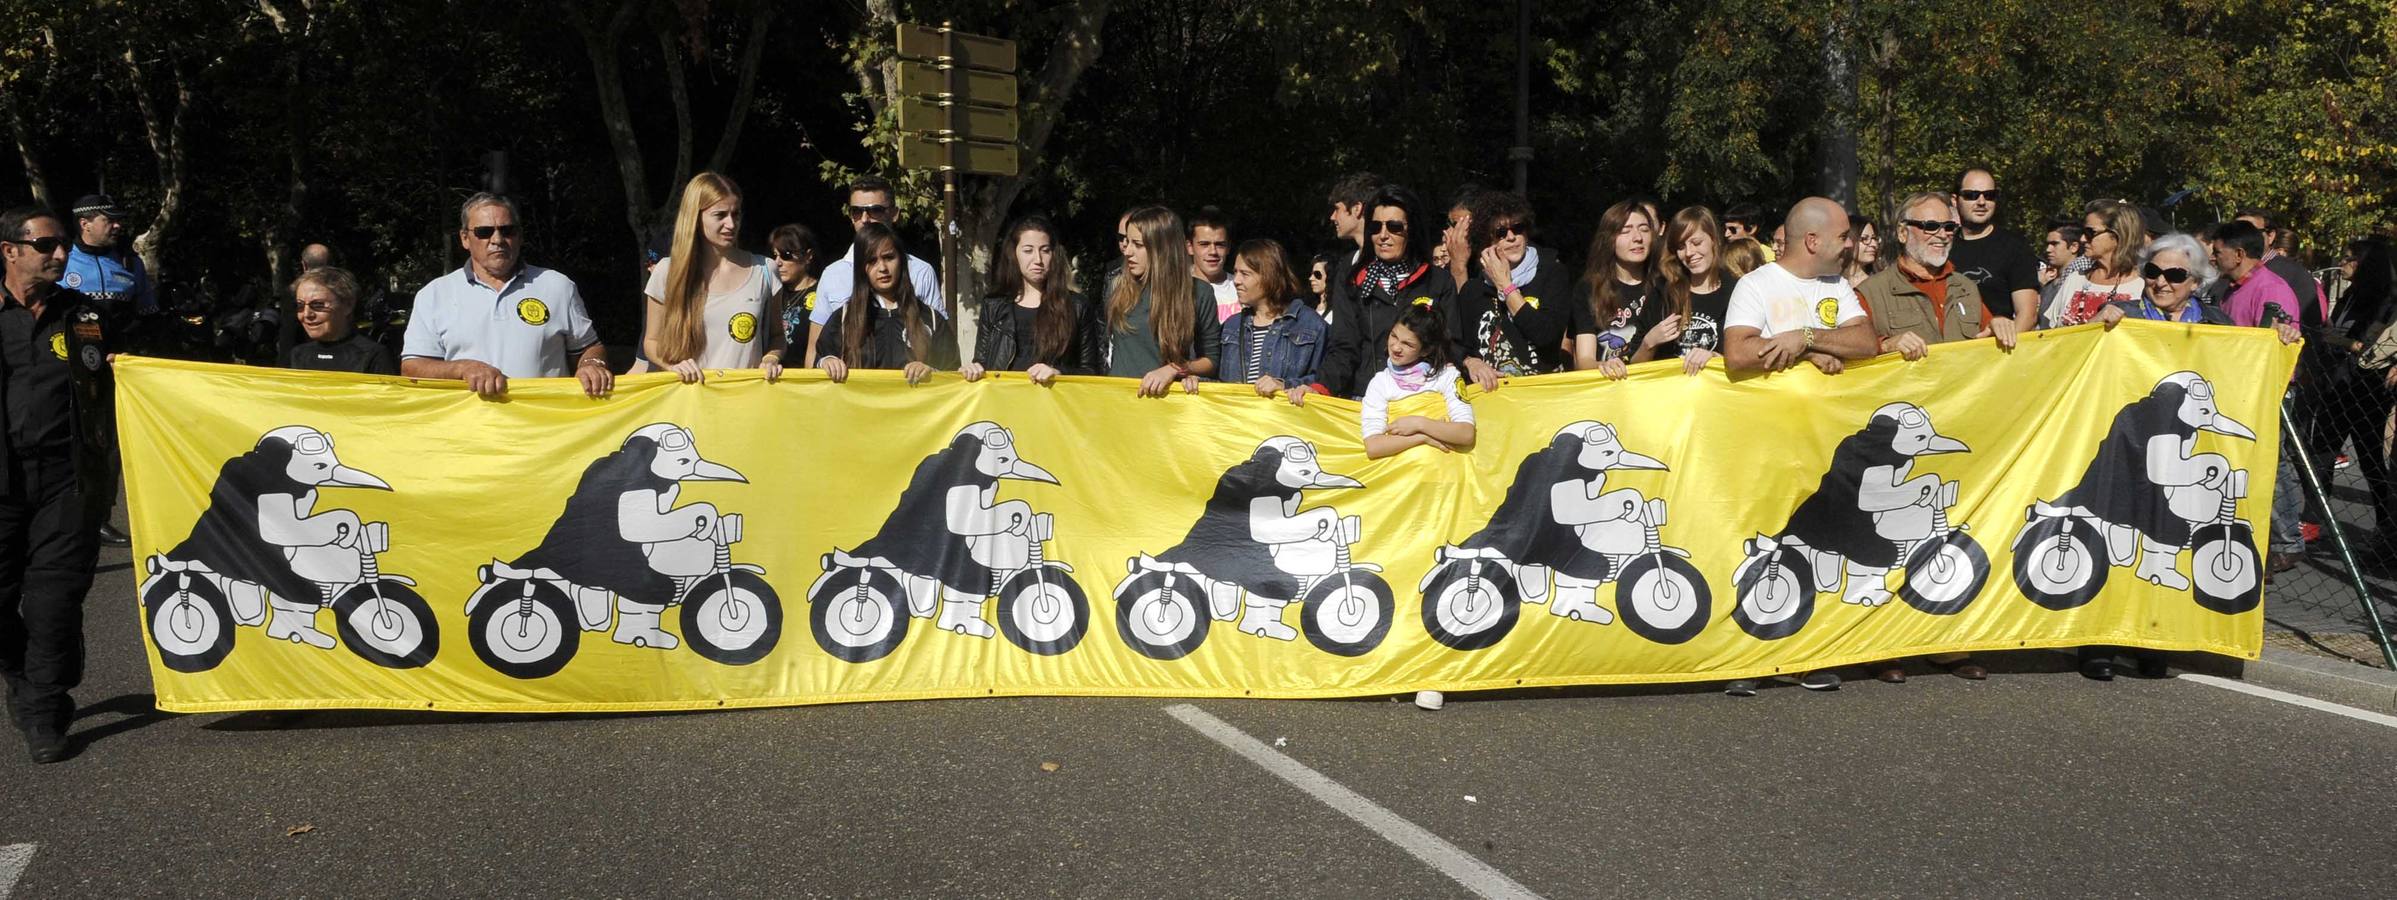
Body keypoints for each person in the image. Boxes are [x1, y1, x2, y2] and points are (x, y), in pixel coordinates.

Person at [0, 206, 115, 763]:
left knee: (52, 601)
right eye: (46, 245)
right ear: (11, 250)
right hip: (3, 482)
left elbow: (147, 366)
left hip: (69, 480)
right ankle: (22, 679)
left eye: (63, 244)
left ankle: (45, 706)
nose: (59, 254)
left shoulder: (86, 314)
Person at [401, 193, 613, 399]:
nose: (497, 239)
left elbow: (589, 347)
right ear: (465, 239)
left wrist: (592, 365)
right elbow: (412, 368)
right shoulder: (434, 294)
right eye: (484, 232)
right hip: (468, 429)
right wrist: (463, 368)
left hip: (544, 427)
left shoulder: (557, 286)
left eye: (507, 230)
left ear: (520, 236)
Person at [2212, 219, 2311, 575]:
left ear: (2238, 254)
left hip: (2268, 392)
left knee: (2272, 464)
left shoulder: (2271, 289)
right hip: (2237, 390)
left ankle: (2286, 541)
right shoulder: (2228, 288)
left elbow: (2281, 345)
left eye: (2218, 251)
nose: (2213, 256)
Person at [642, 173, 785, 384]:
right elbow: (651, 341)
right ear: (695, 217)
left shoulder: (765, 269)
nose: (731, 224)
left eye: (735, 214)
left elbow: (777, 336)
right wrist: (673, 366)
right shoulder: (667, 271)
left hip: (746, 403)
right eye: (720, 215)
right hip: (689, 405)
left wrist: (771, 358)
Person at [1323, 185, 1457, 398]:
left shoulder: (1438, 281)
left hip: (1422, 399)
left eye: (1394, 226)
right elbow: (1343, 346)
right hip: (1364, 398)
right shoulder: (1351, 277)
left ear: (1411, 230)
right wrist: (1321, 388)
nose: (1383, 235)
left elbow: (1451, 346)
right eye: (1376, 227)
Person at [1722, 196, 1879, 376]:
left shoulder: (1837, 284)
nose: (1850, 244)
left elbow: (1867, 342)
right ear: (1812, 241)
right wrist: (1806, 355)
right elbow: (1737, 353)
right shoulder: (1754, 285)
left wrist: (1807, 337)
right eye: (1843, 237)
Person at [806, 176, 945, 364]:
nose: (865, 219)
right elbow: (815, 351)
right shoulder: (832, 274)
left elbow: (941, 344)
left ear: (894, 213)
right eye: (857, 211)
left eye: (875, 211)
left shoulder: (921, 271)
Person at [1451, 190, 1571, 389]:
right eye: (1500, 233)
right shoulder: (1473, 290)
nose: (1511, 237)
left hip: (1543, 395)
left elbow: (1546, 336)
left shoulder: (1552, 273)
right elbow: (1455, 344)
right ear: (1486, 241)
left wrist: (1506, 286)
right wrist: (1470, 362)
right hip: (1494, 400)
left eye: (1518, 228)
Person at [963, 215, 1102, 385]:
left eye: (1045, 250)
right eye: (1028, 250)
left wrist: (1059, 372)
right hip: (1004, 404)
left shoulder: (1078, 306)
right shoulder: (993, 305)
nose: (1038, 260)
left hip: (1052, 405)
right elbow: (982, 362)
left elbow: (1092, 370)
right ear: (1014, 254)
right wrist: (972, 370)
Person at [1106, 206, 1219, 397]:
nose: (1128, 251)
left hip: (1166, 406)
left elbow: (1211, 361)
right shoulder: (1117, 287)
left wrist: (1175, 369)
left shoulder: (1199, 292)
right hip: (1119, 403)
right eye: (1127, 242)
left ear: (1162, 249)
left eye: (1138, 245)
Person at [816, 223, 945, 385]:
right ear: (861, 268)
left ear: (902, 261)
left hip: (916, 409)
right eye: (872, 261)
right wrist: (827, 363)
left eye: (889, 257)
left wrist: (930, 372)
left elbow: (953, 374)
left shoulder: (930, 318)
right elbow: (818, 368)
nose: (882, 268)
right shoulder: (844, 319)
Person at [1213, 239, 1327, 405]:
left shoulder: (1310, 325)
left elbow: (1323, 383)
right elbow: (1218, 383)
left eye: (1245, 274)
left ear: (1269, 276)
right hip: (1235, 426)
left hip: (1283, 427)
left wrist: (1285, 385)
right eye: (1235, 272)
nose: (1236, 280)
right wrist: (1194, 381)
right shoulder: (1231, 326)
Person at [1361, 303, 1475, 460]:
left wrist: (1418, 424)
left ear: (1426, 350)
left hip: (1445, 477)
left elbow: (1466, 433)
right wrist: (1422, 437)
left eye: (1407, 344)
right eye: (1394, 336)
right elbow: (1373, 446)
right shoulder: (1380, 382)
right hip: (1402, 478)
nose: (1395, 347)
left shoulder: (1447, 375)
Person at [1570, 200, 1662, 375]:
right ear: (1609, 239)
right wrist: (1601, 366)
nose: (1638, 238)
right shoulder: (1588, 288)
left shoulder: (1665, 285)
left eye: (1644, 229)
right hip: (1609, 388)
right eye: (1625, 231)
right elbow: (1584, 360)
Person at [1948, 168, 2042, 332]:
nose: (1981, 202)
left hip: (1998, 350)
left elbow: (2028, 315)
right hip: (1950, 350)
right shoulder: (1942, 247)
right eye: (1972, 195)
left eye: (1989, 195)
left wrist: (2003, 351)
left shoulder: (2014, 247)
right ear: (1955, 200)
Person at [1650, 206, 1739, 376]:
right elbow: (1634, 364)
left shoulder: (1739, 291)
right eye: (1681, 247)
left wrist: (1716, 359)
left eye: (1696, 243)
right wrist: (1649, 342)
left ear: (1714, 239)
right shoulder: (1663, 291)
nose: (1689, 253)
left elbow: (1751, 358)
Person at [2040, 200, 2148, 328]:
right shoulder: (2075, 279)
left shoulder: (2142, 286)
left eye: (2090, 233)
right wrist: (2094, 323)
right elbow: (2051, 335)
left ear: (2118, 235)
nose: (2082, 239)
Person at [284, 267, 399, 374]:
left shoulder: (372, 355)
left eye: (318, 305)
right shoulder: (297, 355)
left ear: (347, 306)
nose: (307, 314)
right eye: (300, 305)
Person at [60, 194, 155, 322]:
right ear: (85, 224)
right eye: (110, 220)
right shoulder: (61, 260)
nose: (117, 226)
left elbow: (148, 315)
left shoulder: (131, 262)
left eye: (118, 220)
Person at [2235, 209, 2327, 325]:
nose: (2240, 238)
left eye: (2249, 231)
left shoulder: (2295, 275)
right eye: (2234, 232)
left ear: (2270, 236)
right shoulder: (2228, 273)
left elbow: (2310, 326)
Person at [1323, 172, 1386, 295]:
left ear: (1357, 208)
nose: (1332, 217)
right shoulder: (1346, 267)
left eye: (1337, 209)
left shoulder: (1393, 261)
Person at [769, 223, 822, 351]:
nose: (778, 262)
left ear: (808, 256)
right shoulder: (772, 291)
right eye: (775, 255)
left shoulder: (822, 293)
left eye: (786, 255)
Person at [1188, 207, 1237, 323]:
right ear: (1190, 247)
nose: (1213, 252)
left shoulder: (1242, 287)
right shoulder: (1177, 289)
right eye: (1204, 244)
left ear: (1228, 247)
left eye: (1220, 245)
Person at [1440, 187, 1480, 290]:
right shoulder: (1444, 272)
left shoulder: (1496, 267)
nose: (1448, 233)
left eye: (1457, 225)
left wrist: (1459, 267)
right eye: (1449, 224)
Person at [1843, 215, 1882, 287]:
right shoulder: (1831, 280)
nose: (1874, 244)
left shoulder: (1880, 282)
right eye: (1865, 239)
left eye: (1874, 238)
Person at [1307, 251, 1335, 320]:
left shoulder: (1339, 309)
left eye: (1317, 274)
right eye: (1311, 274)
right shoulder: (1308, 307)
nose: (1311, 278)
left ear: (1329, 276)